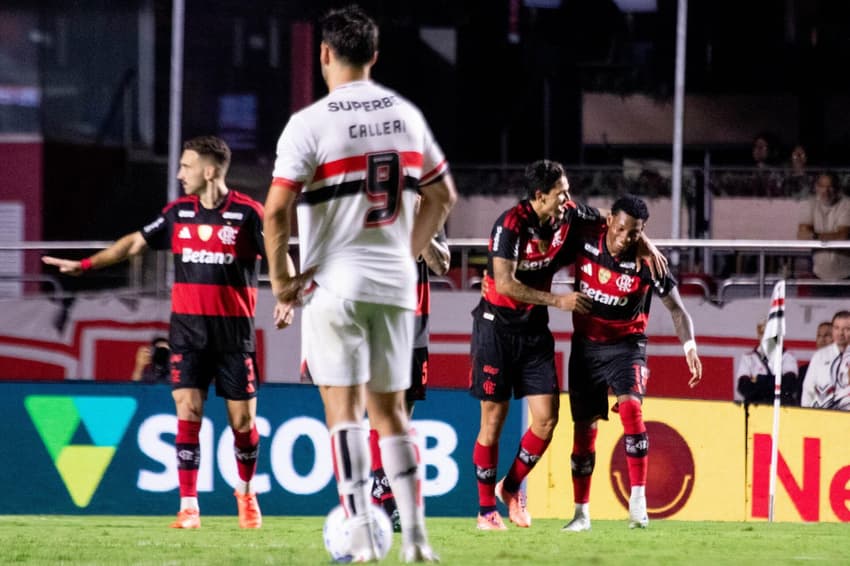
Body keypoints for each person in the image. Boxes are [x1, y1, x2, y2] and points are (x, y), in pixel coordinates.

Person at [263, 6, 455, 562]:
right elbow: (443, 198)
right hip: (394, 291)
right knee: (392, 416)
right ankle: (416, 541)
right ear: (374, 56)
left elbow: (275, 213)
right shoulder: (407, 117)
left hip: (334, 287)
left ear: (324, 54)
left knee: (343, 417)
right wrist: (405, 253)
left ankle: (358, 534)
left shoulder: (309, 124)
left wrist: (281, 285)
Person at [42, 135, 270, 530]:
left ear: (210, 170)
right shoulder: (177, 213)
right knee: (189, 413)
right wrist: (85, 266)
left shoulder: (249, 214)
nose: (180, 173)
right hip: (188, 333)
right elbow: (134, 243)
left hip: (235, 337)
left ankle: (246, 492)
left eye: (187, 166)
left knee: (244, 426)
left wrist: (288, 293)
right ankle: (188, 507)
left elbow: (279, 254)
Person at [562, 194, 702, 532]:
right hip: (585, 349)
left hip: (627, 347)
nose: (625, 239)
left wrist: (690, 348)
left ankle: (638, 504)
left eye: (635, 233)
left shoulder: (649, 262)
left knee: (631, 411)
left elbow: (677, 310)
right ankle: (581, 514)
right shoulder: (585, 236)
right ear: (609, 220)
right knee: (584, 435)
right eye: (621, 229)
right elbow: (561, 205)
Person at [370, 231, 450, 532]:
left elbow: (441, 265)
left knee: (401, 417)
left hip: (415, 327)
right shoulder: (372, 203)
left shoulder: (428, 209)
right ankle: (387, 498)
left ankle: (383, 497)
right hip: (377, 320)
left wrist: (421, 224)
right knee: (382, 413)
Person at [797, 172, 850, 282]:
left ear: (837, 188)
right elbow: (802, 234)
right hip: (818, 275)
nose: (826, 191)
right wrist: (830, 236)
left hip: (846, 276)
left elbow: (843, 236)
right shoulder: (811, 204)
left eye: (830, 187)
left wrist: (815, 235)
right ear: (817, 188)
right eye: (822, 186)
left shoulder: (846, 205)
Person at [735, 319, 799, 406]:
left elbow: (789, 385)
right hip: (756, 408)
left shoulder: (787, 357)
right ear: (758, 335)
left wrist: (758, 380)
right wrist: (774, 382)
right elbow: (744, 388)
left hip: (781, 409)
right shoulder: (748, 358)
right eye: (763, 334)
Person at [800, 311, 850, 411]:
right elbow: (807, 389)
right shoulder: (819, 356)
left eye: (846, 329)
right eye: (837, 328)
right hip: (820, 416)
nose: (840, 333)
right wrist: (805, 414)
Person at [797, 320, 834, 400]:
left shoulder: (842, 366)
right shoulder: (803, 371)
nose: (822, 339)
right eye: (819, 336)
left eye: (827, 335)